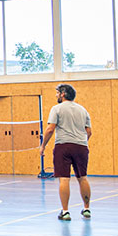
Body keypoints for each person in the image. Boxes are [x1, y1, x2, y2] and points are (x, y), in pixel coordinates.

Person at [40, 83, 92, 221]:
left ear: (63, 94)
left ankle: (65, 211)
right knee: (83, 177)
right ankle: (87, 209)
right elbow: (89, 131)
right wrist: (81, 141)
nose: (56, 95)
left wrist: (43, 145)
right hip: (81, 147)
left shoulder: (56, 109)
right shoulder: (83, 110)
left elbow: (50, 129)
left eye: (57, 93)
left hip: (63, 146)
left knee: (64, 179)